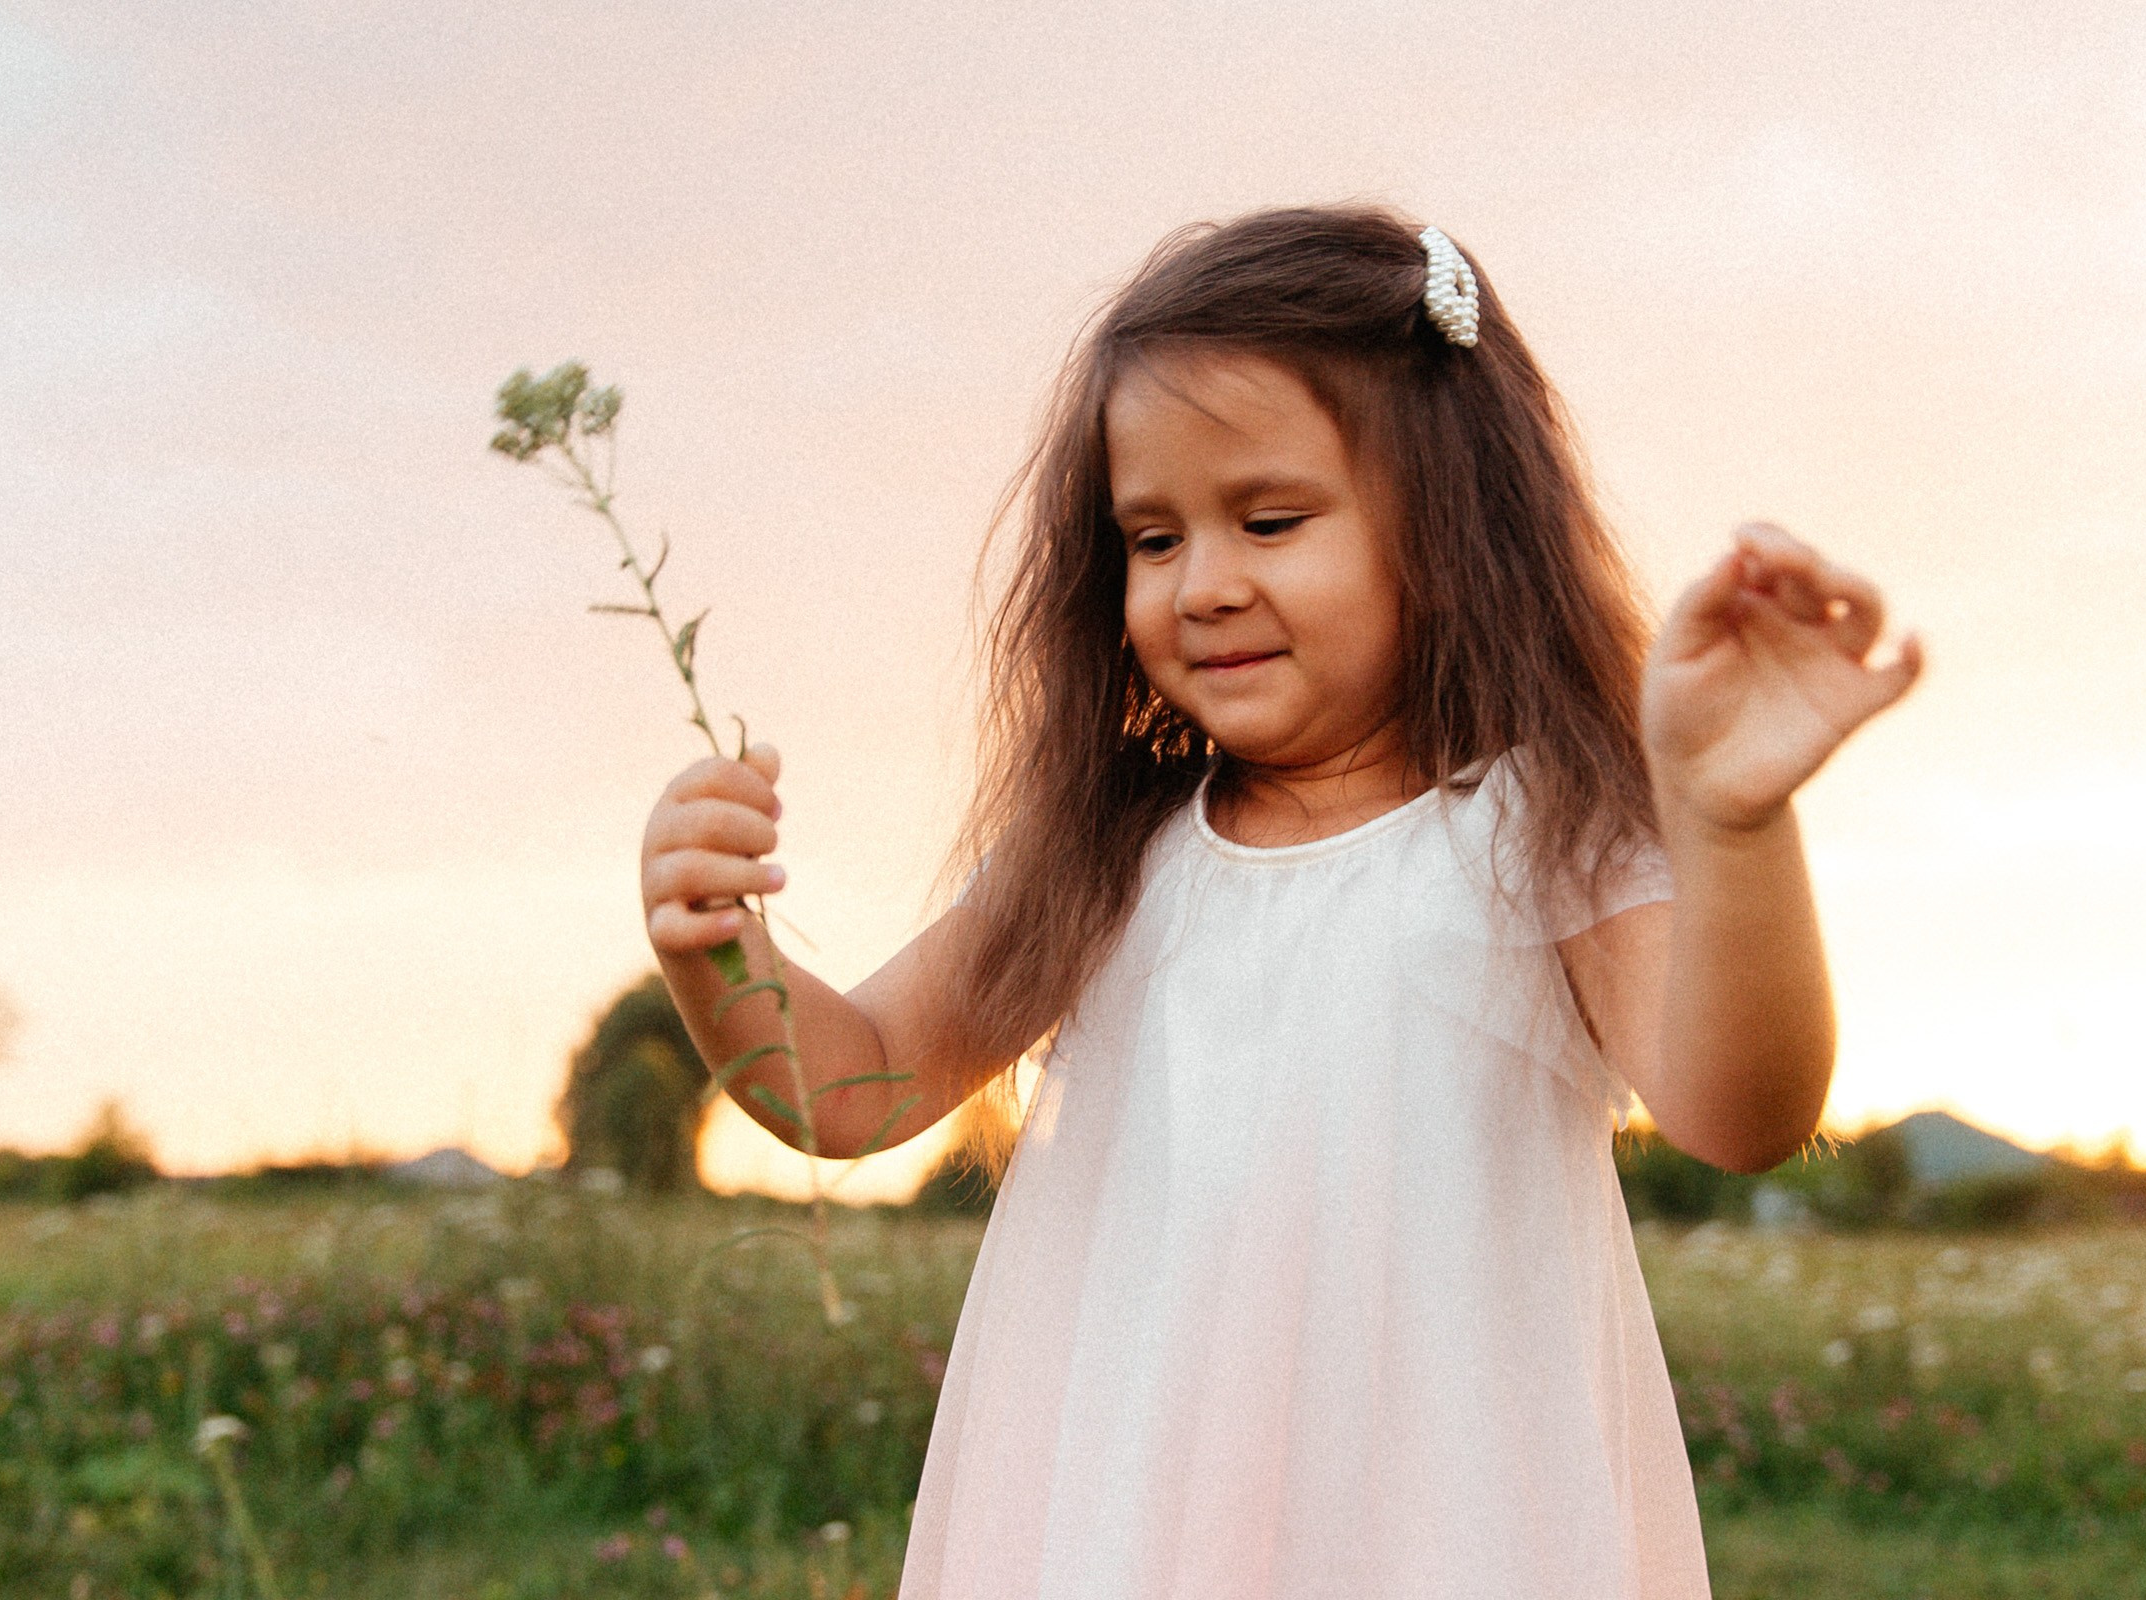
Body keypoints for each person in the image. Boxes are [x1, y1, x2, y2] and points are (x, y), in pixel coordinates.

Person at [638, 206, 1923, 1599]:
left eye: (1268, 520)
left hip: (1442, 1528)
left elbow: (1742, 1112)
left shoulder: (1537, 825)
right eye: (1152, 538)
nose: (1202, 586)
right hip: (1129, 1527)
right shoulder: (1109, 851)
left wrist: (1734, 826)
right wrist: (718, 948)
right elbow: (853, 1089)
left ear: (1450, 526)